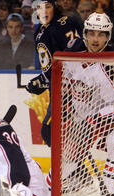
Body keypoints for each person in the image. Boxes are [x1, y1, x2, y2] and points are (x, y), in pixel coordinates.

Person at [60, 12, 114, 196]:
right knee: (63, 160)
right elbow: (64, 83)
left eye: (101, 35)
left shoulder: (110, 65)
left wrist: (93, 121)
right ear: (85, 34)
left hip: (107, 123)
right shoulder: (72, 53)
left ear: (108, 37)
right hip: (82, 123)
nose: (95, 39)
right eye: (92, 33)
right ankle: (78, 175)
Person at [25, 0, 83, 147]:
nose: (43, 11)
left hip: (73, 89)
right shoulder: (40, 31)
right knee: (55, 133)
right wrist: (40, 81)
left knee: (50, 131)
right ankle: (75, 167)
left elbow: (73, 60)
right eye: (39, 8)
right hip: (58, 89)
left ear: (54, 8)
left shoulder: (64, 23)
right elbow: (51, 69)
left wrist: (42, 81)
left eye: (47, 7)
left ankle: (71, 167)